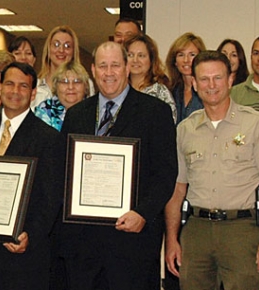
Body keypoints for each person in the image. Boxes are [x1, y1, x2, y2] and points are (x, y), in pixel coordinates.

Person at [165, 50, 259, 289]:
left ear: (230, 80)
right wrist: (171, 239)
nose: (211, 85)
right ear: (194, 83)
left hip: (240, 230)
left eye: (218, 78)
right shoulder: (185, 130)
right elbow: (177, 190)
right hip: (196, 229)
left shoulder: (256, 124)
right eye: (204, 79)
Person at [60, 41, 176, 290]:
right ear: (93, 69)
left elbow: (165, 174)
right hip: (83, 246)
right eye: (103, 66)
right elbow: (63, 173)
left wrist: (143, 213)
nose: (109, 72)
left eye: (115, 65)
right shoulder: (76, 115)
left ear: (127, 68)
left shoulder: (156, 112)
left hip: (132, 244)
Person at [0, 62, 63, 290]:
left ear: (33, 93)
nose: (15, 91)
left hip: (24, 253)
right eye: (9, 84)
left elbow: (51, 198)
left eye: (23, 86)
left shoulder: (48, 138)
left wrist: (32, 234)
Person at [124, 35, 175, 121]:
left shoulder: (160, 92)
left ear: (151, 60)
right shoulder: (118, 90)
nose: (135, 60)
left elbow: (169, 124)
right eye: (130, 55)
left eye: (141, 56)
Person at [36, 26, 85, 109]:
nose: (61, 50)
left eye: (67, 46)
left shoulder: (85, 83)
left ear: (74, 51)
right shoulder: (35, 86)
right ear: (48, 49)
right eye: (56, 45)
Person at [33, 61, 90, 131]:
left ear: (86, 86)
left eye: (77, 81)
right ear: (56, 86)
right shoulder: (46, 109)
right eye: (64, 82)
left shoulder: (94, 110)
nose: (71, 87)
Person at [166, 32, 206, 124]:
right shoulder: (170, 91)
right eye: (181, 55)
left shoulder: (208, 90)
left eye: (192, 55)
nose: (186, 60)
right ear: (175, 61)